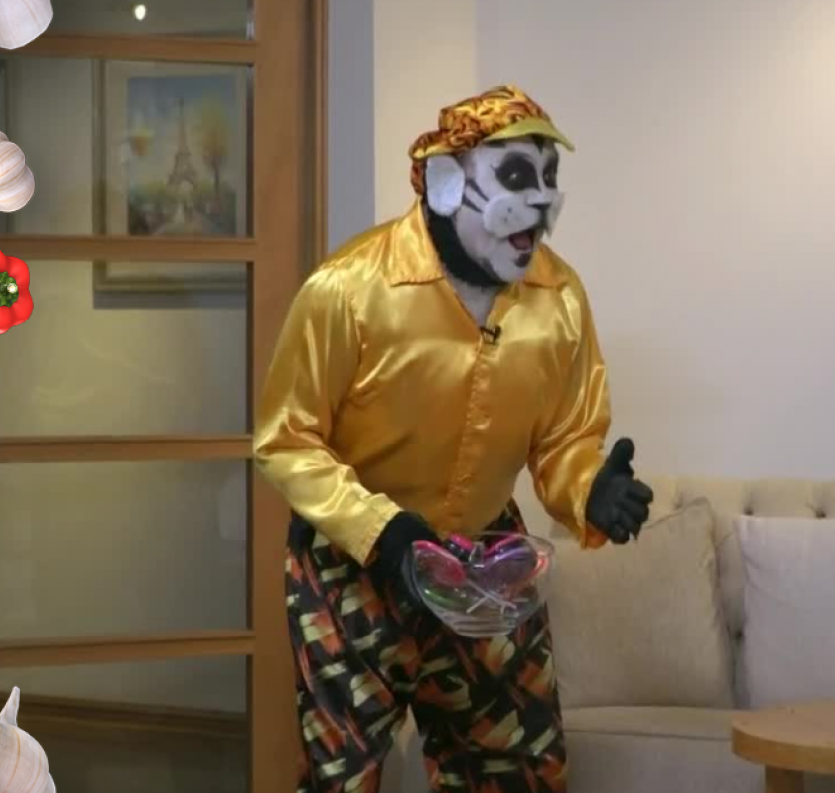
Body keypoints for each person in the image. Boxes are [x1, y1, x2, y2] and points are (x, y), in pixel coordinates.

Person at [254, 85, 655, 793]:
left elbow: (564, 438)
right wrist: (383, 532)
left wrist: (590, 487)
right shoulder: (348, 290)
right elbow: (287, 440)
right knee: (342, 776)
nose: (539, 201)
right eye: (515, 176)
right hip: (354, 565)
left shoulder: (559, 298)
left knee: (518, 768)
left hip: (484, 561)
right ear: (444, 182)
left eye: (548, 177)